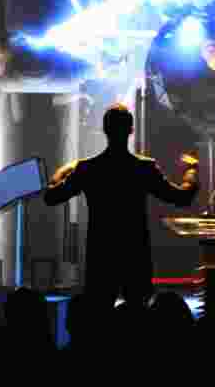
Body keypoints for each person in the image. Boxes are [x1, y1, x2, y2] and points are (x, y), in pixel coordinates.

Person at [44, 104, 200, 312]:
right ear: (131, 131)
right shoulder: (144, 168)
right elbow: (182, 198)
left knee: (99, 316)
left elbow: (51, 196)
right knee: (137, 317)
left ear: (105, 130)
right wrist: (192, 172)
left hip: (102, 256)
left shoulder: (88, 168)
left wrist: (66, 169)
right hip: (135, 255)